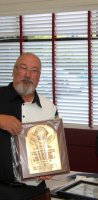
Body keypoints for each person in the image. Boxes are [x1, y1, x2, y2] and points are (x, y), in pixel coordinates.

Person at [0, 53, 58, 199]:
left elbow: (54, 150)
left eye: (34, 70)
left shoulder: (49, 107)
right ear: (14, 70)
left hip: (37, 194)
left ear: (39, 75)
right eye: (23, 68)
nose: (28, 75)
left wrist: (51, 167)